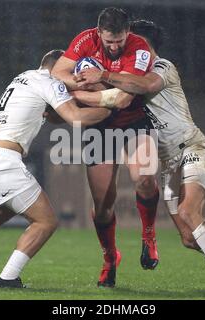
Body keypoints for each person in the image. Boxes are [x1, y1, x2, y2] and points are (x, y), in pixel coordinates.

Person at [74, 20, 205, 292]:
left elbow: (143, 86)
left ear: (145, 47)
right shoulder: (127, 75)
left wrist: (100, 75)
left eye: (135, 46)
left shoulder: (162, 67)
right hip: (168, 163)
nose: (129, 52)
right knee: (187, 236)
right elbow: (112, 97)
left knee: (188, 211)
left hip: (193, 149)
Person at [0, 49, 111, 289]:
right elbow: (75, 118)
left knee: (4, 210)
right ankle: (8, 277)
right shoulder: (50, 81)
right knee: (46, 222)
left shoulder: (24, 77)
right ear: (60, 68)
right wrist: (109, 108)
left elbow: (51, 115)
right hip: (3, 162)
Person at [52, 7, 160, 288]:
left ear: (128, 34)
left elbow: (124, 99)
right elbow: (57, 71)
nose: (114, 47)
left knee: (145, 178)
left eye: (119, 41)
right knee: (103, 205)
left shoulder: (139, 47)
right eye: (109, 41)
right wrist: (78, 81)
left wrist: (86, 87)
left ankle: (148, 235)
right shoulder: (86, 39)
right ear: (99, 33)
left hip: (133, 121)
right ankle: (110, 258)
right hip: (98, 128)